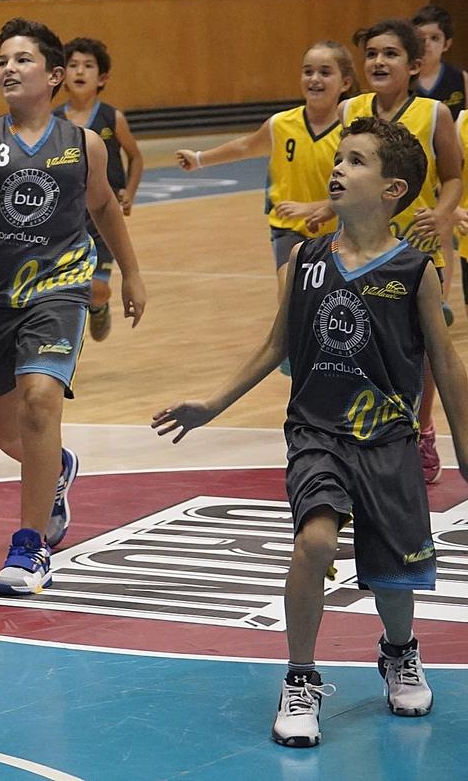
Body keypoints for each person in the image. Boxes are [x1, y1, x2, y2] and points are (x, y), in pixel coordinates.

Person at [152, 116, 467, 749]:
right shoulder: (306, 259)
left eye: (356, 162)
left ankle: (399, 650)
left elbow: (446, 365)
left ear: (393, 189)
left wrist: (465, 452)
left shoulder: (413, 270)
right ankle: (300, 677)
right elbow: (275, 346)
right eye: (340, 158)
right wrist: (212, 405)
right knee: (315, 544)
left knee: (391, 577)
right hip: (317, 433)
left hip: (388, 439)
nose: (338, 169)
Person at [0, 19, 147, 597]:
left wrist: (131, 273)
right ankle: (59, 471)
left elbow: (104, 210)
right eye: (2, 60)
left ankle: (30, 546)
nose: (9, 69)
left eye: (23, 59)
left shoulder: (83, 144)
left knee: (40, 401)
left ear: (53, 75)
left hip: (58, 288)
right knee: (5, 429)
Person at [341, 19, 466, 484]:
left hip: (418, 249)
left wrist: (443, 211)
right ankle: (362, 428)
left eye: (390, 54)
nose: (378, 61)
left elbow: (452, 176)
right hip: (359, 248)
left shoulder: (434, 113)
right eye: (372, 53)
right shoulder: (350, 108)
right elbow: (344, 173)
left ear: (413, 65)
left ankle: (423, 427)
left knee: (425, 344)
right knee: (360, 339)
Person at [175, 40, 354, 277]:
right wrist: (199, 159)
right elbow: (245, 146)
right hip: (288, 228)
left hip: (338, 229)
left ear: (346, 82)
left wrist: (311, 207)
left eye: (325, 72)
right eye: (307, 71)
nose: (314, 78)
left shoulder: (351, 130)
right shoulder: (281, 124)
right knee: (288, 293)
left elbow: (359, 192)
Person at [60, 38, 144, 340]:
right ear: (61, 74)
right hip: (66, 220)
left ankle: (97, 307)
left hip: (101, 221)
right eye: (73, 65)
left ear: (103, 77)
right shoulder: (54, 120)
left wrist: (129, 193)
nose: (80, 71)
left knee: (97, 289)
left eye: (88, 65)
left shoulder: (112, 117)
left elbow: (135, 157)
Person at [413, 6, 465, 118]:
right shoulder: (402, 77)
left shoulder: (462, 78)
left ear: (446, 44)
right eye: (421, 37)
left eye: (434, 38)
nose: (426, 43)